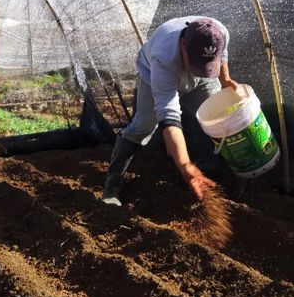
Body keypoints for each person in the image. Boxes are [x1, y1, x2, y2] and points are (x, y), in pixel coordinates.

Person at [101, 16, 238, 206]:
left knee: (220, 118)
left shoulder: (219, 32)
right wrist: (185, 166)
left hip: (201, 81)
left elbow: (222, 56)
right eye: (197, 63)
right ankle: (112, 187)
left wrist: (225, 80)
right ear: (183, 45)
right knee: (143, 126)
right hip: (153, 76)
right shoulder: (163, 58)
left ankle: (229, 184)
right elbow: (169, 119)